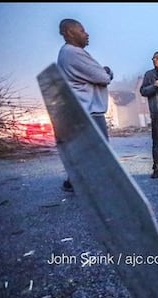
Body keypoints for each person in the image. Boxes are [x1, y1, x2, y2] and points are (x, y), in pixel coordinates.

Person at [57, 18, 114, 192]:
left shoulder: (67, 53)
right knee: (100, 150)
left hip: (82, 109)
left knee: (86, 150)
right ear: (69, 33)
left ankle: (73, 181)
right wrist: (108, 72)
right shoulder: (73, 52)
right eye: (81, 31)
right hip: (89, 110)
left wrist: (102, 72)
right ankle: (98, 187)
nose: (86, 34)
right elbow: (103, 77)